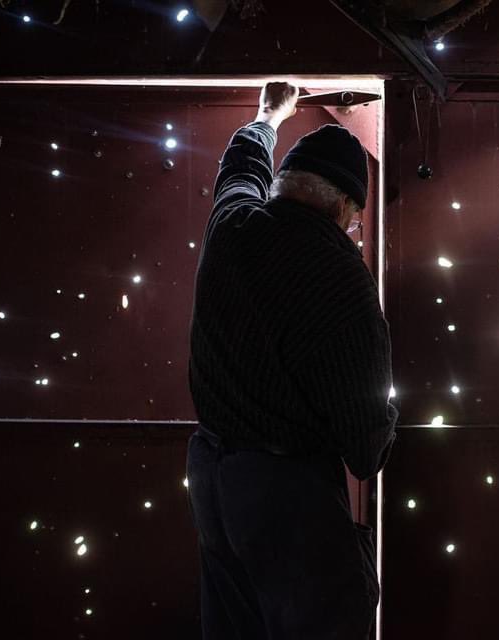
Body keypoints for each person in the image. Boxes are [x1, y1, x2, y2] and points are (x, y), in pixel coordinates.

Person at [185, 80, 399, 639]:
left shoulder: (232, 223)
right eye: (355, 222)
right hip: (286, 493)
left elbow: (240, 167)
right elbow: (366, 448)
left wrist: (267, 117)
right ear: (346, 207)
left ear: (282, 185)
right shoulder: (343, 282)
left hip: (212, 474)